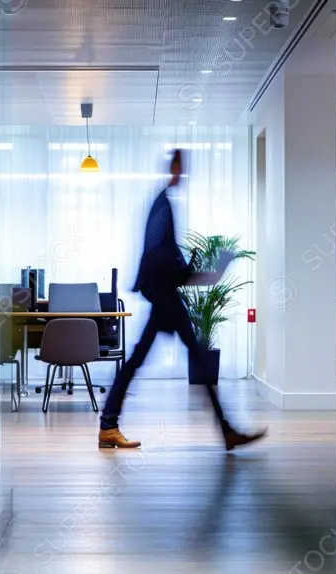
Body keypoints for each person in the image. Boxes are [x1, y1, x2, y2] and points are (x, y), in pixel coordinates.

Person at [98, 149, 266, 451]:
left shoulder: (163, 205)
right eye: (180, 166)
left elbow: (164, 259)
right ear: (172, 167)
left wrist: (199, 272)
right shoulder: (162, 206)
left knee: (149, 360)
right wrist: (196, 272)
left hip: (164, 295)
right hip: (165, 297)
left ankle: (109, 424)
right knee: (183, 358)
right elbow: (158, 257)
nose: (182, 173)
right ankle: (225, 431)